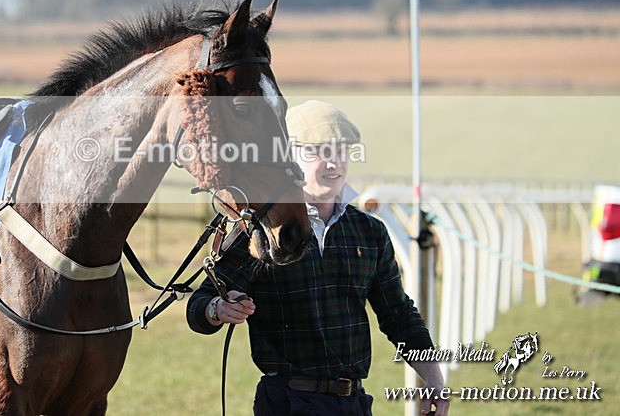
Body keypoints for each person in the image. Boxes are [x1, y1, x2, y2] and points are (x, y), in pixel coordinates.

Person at [186, 100, 449, 416]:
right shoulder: (261, 232)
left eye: (340, 152)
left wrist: (433, 375)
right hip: (287, 403)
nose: (333, 164)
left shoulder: (369, 231)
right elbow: (198, 305)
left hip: (355, 403)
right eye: (317, 152)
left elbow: (398, 314)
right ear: (289, 159)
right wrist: (219, 308)